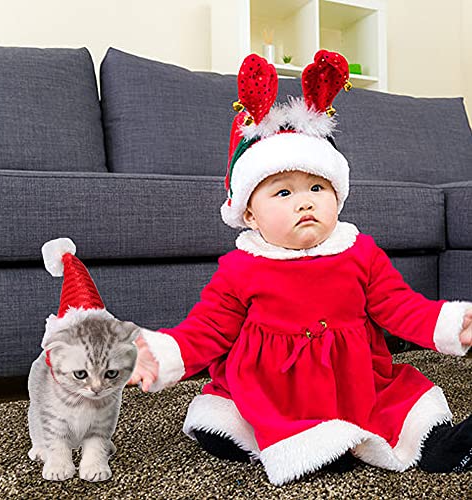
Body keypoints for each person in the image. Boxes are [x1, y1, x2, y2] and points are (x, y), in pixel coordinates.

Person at [128, 51, 472, 486]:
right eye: (283, 193)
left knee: (404, 409)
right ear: (249, 214)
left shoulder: (359, 251)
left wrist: (451, 323)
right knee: (240, 421)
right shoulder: (241, 268)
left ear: (337, 195)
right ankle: (308, 443)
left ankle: (443, 445)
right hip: (278, 388)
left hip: (356, 379)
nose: (305, 201)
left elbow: (398, 306)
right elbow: (207, 330)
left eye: (316, 187)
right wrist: (161, 355)